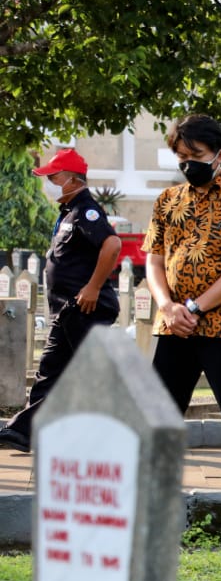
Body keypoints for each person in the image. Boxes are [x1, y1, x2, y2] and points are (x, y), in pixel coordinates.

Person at [143, 113, 221, 490]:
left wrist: (195, 307)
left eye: (196, 155)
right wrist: (168, 306)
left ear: (220, 156)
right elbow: (154, 260)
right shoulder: (167, 200)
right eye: (181, 156)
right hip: (174, 325)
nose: (188, 164)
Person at [0, 149, 121, 453]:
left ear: (71, 179)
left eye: (53, 177)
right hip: (67, 309)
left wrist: (93, 287)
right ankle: (25, 432)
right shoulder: (67, 213)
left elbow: (112, 244)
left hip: (86, 308)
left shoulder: (87, 210)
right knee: (51, 370)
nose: (49, 182)